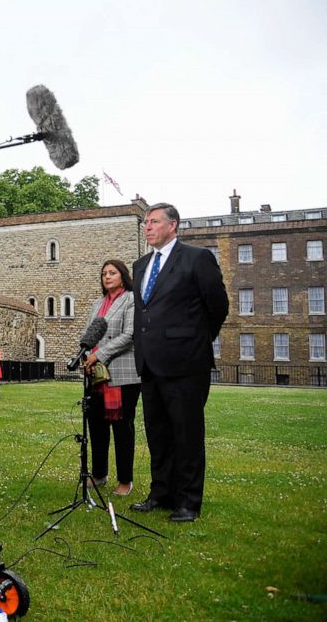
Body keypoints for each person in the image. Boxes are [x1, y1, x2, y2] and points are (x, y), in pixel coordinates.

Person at [130, 203, 228, 523]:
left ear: (173, 225)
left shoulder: (197, 258)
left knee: (186, 434)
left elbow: (217, 307)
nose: (147, 227)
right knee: (157, 435)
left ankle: (188, 502)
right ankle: (161, 494)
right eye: (146, 222)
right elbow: (144, 312)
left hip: (186, 364)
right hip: (149, 364)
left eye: (154, 221)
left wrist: (192, 340)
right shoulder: (141, 265)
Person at [81, 261, 141, 497]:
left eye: (112, 272)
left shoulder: (131, 299)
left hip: (122, 375)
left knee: (122, 429)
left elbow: (130, 335)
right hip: (97, 377)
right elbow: (88, 335)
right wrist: (87, 355)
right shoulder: (98, 304)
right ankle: (99, 474)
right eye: (104, 273)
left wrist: (99, 354)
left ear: (122, 276)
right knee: (96, 426)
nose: (107, 277)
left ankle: (125, 480)